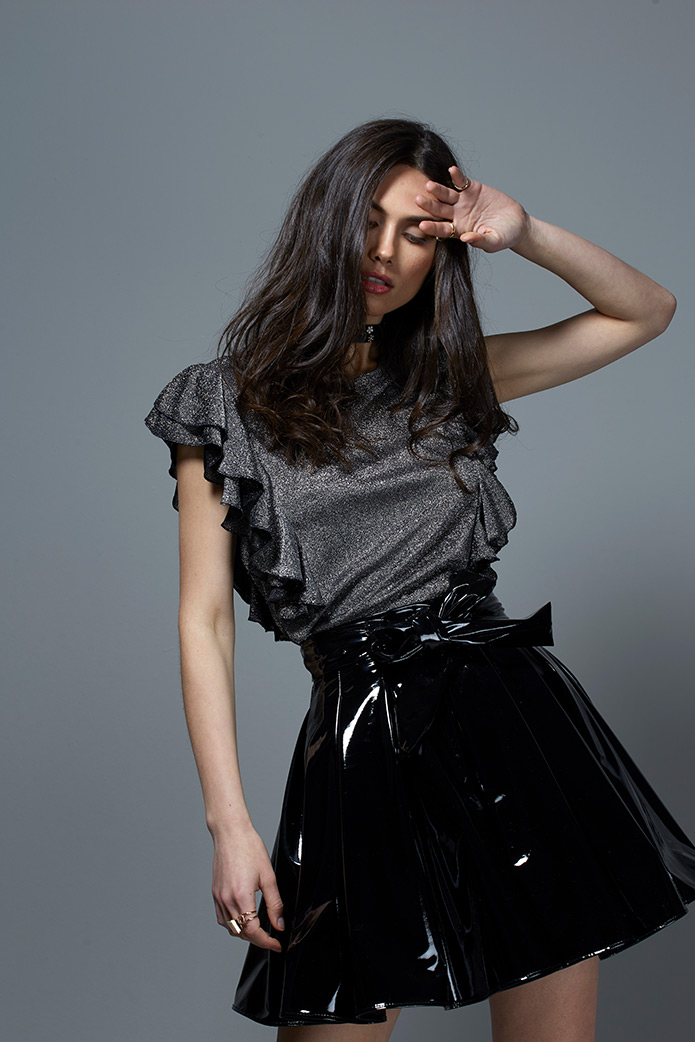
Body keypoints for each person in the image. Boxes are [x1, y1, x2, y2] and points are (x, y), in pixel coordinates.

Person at [144, 118, 695, 1041]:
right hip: (359, 736)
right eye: (368, 221)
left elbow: (645, 311)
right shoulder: (221, 404)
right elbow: (203, 622)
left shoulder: (450, 378)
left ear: (440, 256)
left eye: (416, 233)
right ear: (324, 221)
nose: (385, 252)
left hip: (511, 718)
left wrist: (525, 232)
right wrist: (228, 827)